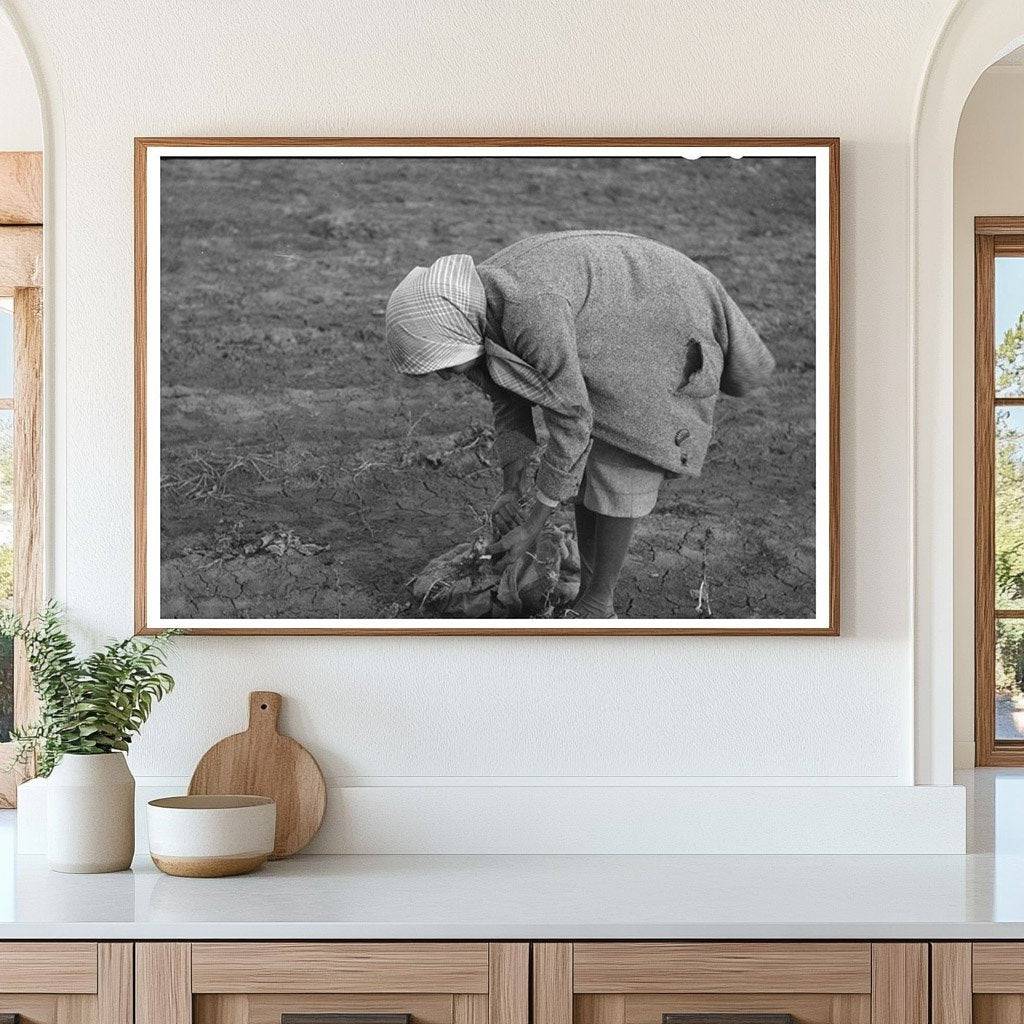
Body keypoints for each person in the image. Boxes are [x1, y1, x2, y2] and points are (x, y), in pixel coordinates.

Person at [385, 231, 775, 619]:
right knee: (588, 476)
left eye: (443, 366)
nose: (445, 378)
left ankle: (597, 604)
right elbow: (507, 396)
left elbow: (571, 418)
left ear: (454, 329)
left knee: (619, 462)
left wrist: (534, 523)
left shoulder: (528, 307)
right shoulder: (474, 308)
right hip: (624, 315)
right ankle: (589, 595)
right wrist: (511, 490)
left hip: (663, 318)